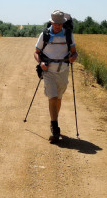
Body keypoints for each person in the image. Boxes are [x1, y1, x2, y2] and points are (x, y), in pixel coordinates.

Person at [34, 10, 78, 142]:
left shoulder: (68, 35)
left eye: (60, 24)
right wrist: (41, 62)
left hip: (63, 71)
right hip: (49, 72)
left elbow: (74, 53)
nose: (58, 26)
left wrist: (73, 58)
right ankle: (55, 127)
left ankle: (54, 119)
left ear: (63, 23)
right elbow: (36, 52)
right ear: (51, 22)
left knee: (58, 99)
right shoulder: (45, 35)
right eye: (55, 23)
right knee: (52, 97)